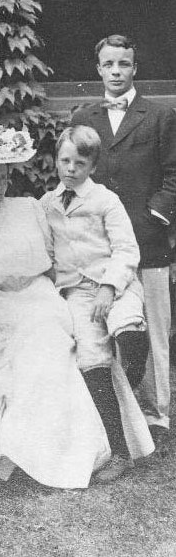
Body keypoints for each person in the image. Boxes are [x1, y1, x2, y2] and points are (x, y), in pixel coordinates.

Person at [0, 126, 114, 500]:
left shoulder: (28, 209)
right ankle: (20, 452)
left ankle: (62, 452)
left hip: (40, 297)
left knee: (47, 345)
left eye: (2, 178)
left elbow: (51, 263)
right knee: (21, 350)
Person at [71, 35, 176, 455]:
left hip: (146, 238)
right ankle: (112, 412)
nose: (116, 72)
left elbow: (173, 176)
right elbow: (76, 172)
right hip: (98, 245)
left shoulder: (161, 116)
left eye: (124, 64)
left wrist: (153, 217)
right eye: (109, 64)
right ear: (98, 68)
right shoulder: (84, 114)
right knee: (101, 325)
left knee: (153, 325)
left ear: (135, 68)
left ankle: (156, 411)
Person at [41, 125, 153, 482]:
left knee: (127, 327)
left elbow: (127, 250)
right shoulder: (47, 204)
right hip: (77, 292)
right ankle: (118, 450)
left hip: (115, 286)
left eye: (80, 162)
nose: (71, 169)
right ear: (56, 160)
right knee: (92, 360)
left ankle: (132, 385)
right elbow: (46, 253)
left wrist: (109, 287)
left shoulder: (105, 200)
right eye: (65, 160)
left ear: (93, 166)